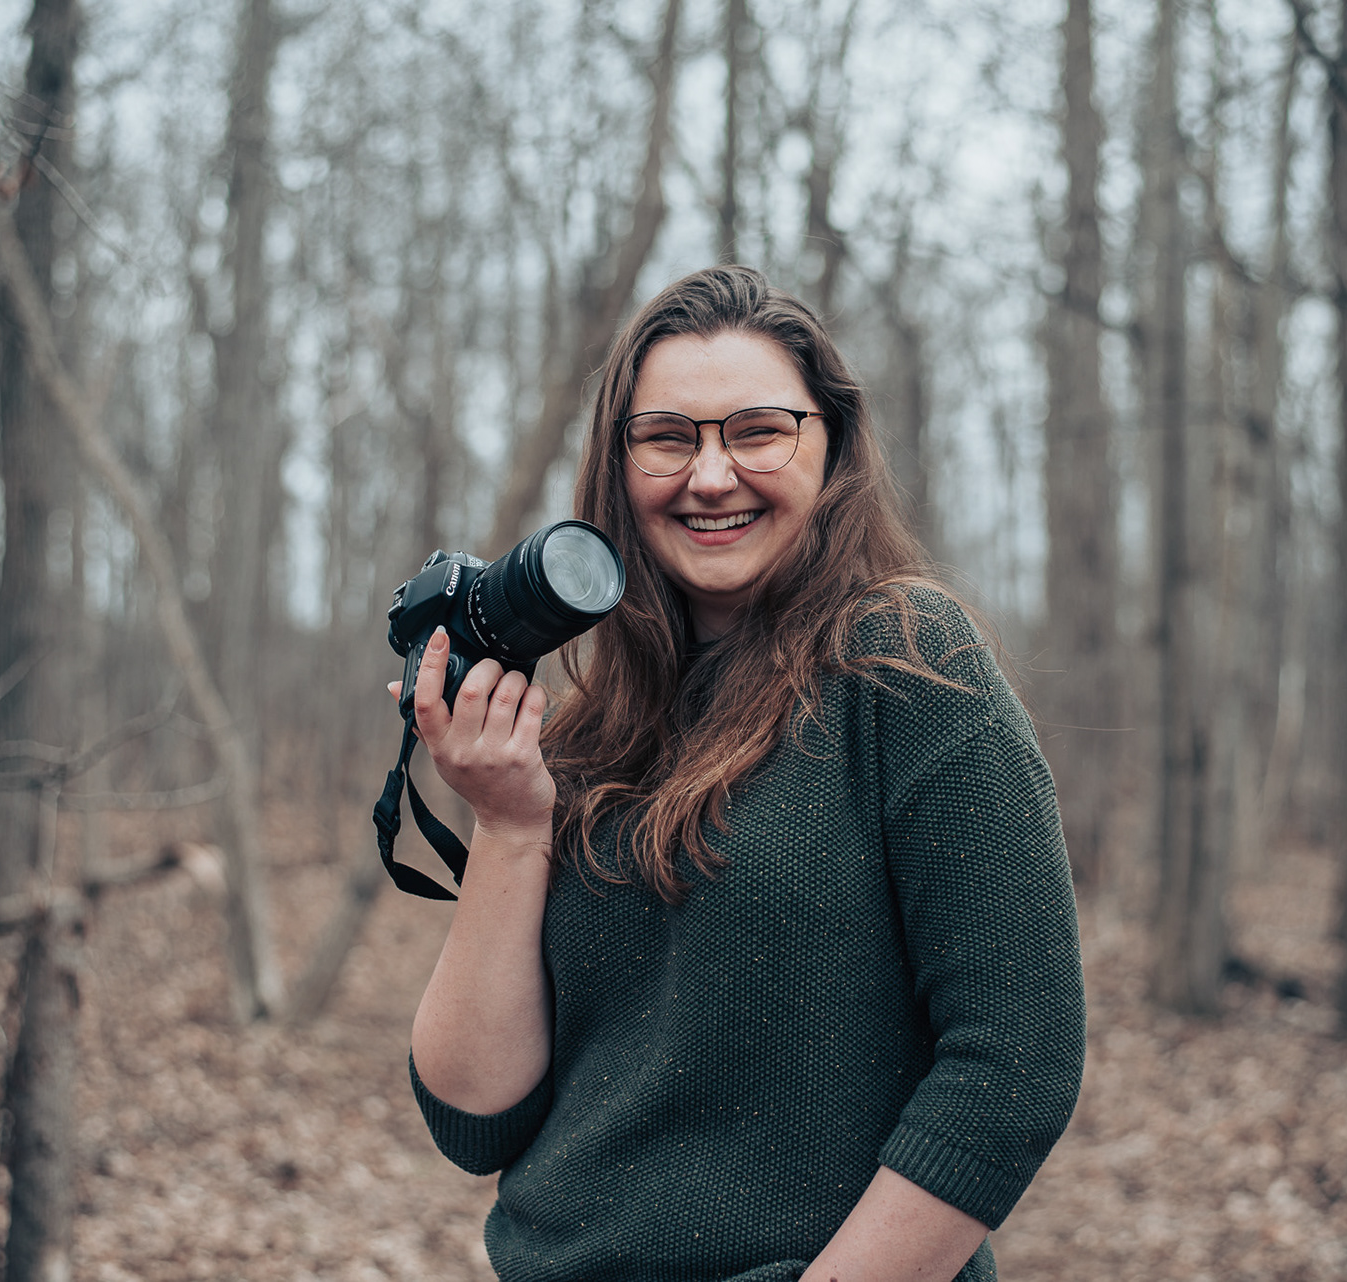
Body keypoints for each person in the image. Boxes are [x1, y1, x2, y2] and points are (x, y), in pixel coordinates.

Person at [399, 265, 1084, 1282]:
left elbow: (1016, 1057)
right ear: (617, 467)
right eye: (668, 437)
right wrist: (506, 823)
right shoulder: (591, 731)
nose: (711, 475)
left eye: (758, 430)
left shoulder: (908, 663)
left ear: (832, 446)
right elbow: (473, 1116)